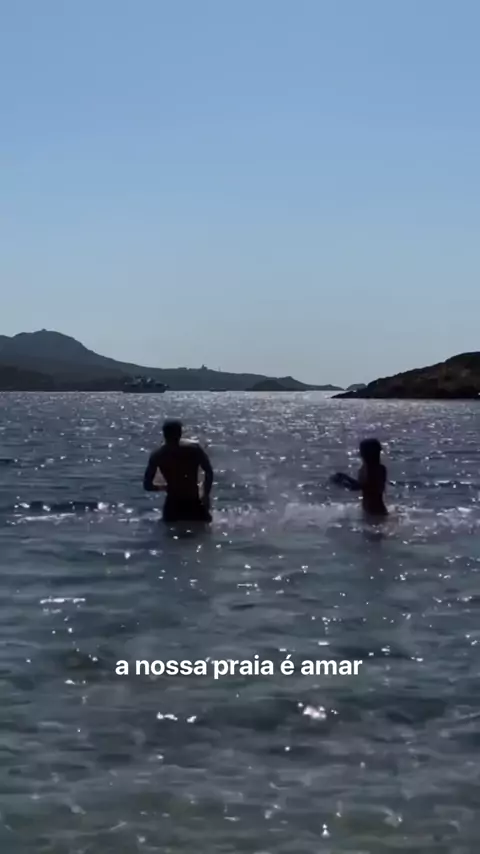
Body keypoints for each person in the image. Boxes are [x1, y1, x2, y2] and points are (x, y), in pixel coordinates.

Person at [143, 419, 214, 523]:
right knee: (202, 531)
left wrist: (166, 487)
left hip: (172, 505)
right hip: (194, 501)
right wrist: (205, 495)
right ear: (180, 433)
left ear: (164, 434)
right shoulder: (193, 449)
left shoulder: (158, 455)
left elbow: (147, 485)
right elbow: (209, 472)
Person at [331, 438, 388, 517]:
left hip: (376, 511)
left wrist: (343, 482)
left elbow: (364, 487)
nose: (360, 452)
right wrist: (345, 478)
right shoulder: (364, 468)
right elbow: (362, 485)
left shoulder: (377, 469)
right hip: (369, 510)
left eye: (362, 450)